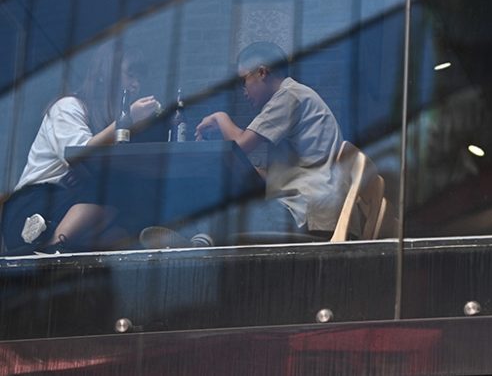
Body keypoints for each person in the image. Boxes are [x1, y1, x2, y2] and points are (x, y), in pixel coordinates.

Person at [1, 42, 160, 254]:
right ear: (106, 73)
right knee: (117, 188)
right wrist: (127, 118)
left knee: (124, 225)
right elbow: (80, 154)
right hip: (31, 205)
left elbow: (91, 164)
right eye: (130, 75)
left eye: (139, 79)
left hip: (68, 208)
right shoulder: (68, 107)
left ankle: (52, 238)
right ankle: (53, 246)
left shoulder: (103, 122)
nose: (135, 85)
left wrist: (86, 175)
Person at [181, 42, 344, 242]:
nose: (243, 90)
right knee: (217, 211)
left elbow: (240, 144)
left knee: (214, 216)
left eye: (244, 80)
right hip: (314, 208)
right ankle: (190, 243)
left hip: (307, 211)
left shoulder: (288, 96)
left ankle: (182, 247)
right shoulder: (295, 95)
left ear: (262, 72)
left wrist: (220, 117)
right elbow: (269, 177)